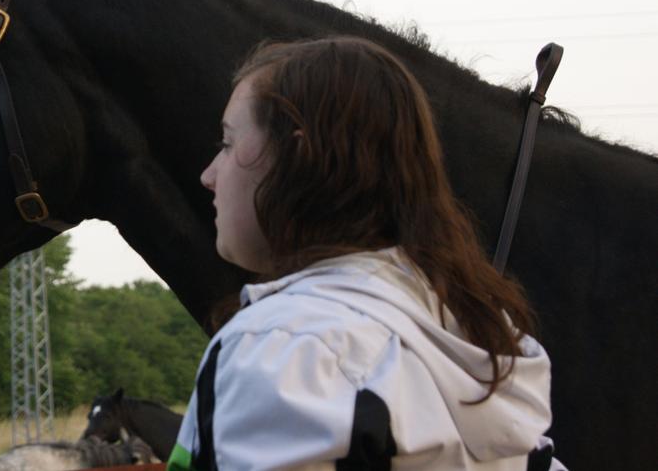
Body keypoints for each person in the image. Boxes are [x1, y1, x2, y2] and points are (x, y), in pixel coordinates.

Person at [168, 37, 565, 471]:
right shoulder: (474, 339)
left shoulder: (290, 349)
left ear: (297, 157)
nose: (209, 175)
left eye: (227, 143)